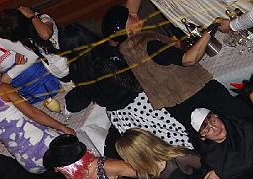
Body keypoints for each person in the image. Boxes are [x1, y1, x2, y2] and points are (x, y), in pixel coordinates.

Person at [104, 4, 253, 132]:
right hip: (199, 94)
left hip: (180, 108)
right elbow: (189, 59)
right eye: (129, 17)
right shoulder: (146, 44)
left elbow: (159, 68)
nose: (135, 15)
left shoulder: (126, 54)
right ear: (126, 29)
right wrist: (210, 30)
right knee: (245, 119)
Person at [59, 23, 192, 149]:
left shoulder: (75, 70)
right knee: (177, 135)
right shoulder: (103, 60)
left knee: (155, 145)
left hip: (120, 116)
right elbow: (133, 85)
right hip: (139, 105)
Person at [0, 8, 69, 79]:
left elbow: (45, 35)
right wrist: (17, 52)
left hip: (70, 67)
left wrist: (32, 16)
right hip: (58, 75)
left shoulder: (42, 20)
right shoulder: (25, 37)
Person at [192, 108, 253, 179]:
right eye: (207, 129)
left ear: (216, 115)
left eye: (214, 121)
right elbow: (208, 175)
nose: (215, 128)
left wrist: (221, 174)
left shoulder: (243, 126)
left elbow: (249, 162)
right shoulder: (207, 152)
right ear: (203, 137)